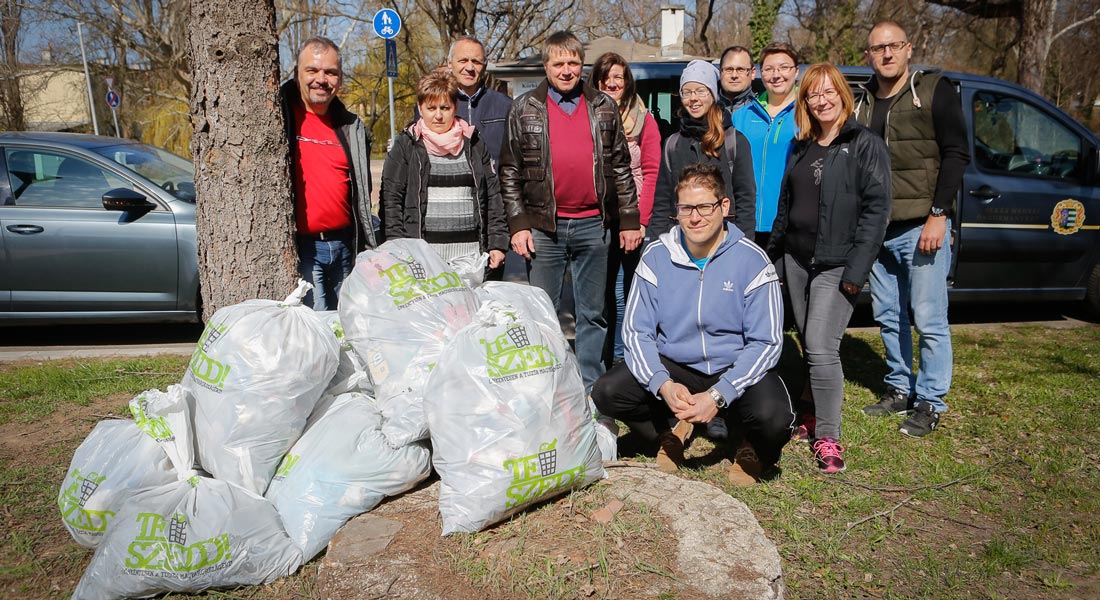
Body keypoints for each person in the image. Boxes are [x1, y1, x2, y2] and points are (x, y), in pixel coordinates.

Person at [591, 163, 792, 486]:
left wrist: (719, 394)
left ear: (724, 207)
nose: (695, 218)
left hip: (732, 365)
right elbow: (636, 332)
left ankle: (749, 446)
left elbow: (766, 342)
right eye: (686, 208)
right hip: (677, 366)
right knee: (607, 391)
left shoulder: (752, 260)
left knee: (776, 417)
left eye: (704, 207)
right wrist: (662, 384)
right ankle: (670, 430)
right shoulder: (657, 256)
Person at [499, 31, 641, 393]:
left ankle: (592, 389)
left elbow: (621, 167)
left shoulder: (603, 107)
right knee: (543, 315)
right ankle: (546, 385)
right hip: (544, 229)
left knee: (593, 314)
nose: (566, 70)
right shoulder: (525, 108)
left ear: (583, 65)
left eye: (573, 63)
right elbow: (510, 169)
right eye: (558, 63)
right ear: (546, 66)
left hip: (595, 226)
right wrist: (518, 224)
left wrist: (628, 219)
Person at [766, 63, 892, 473]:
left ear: (841, 94)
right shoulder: (800, 144)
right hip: (797, 259)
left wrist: (856, 272)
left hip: (837, 264)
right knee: (807, 341)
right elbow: (787, 206)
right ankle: (808, 414)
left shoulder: (864, 143)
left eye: (828, 92)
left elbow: (877, 212)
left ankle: (829, 437)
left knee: (821, 348)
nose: (821, 100)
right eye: (812, 94)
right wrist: (776, 256)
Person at [854, 21, 970, 437]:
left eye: (894, 46)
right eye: (877, 48)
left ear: (908, 48)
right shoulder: (862, 102)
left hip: (922, 226)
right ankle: (900, 388)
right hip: (878, 231)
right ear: (868, 54)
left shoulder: (934, 90)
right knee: (888, 315)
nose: (886, 54)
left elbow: (957, 153)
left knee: (929, 319)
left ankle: (930, 401)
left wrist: (938, 214)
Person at [649, 59, 755, 440]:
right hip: (681, 252)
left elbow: (745, 197)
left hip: (724, 251)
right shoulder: (674, 143)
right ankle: (682, 407)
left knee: (722, 327)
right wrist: (655, 244)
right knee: (684, 327)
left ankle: (721, 407)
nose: (694, 98)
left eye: (701, 91)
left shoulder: (732, 141)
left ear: (713, 95)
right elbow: (664, 199)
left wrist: (745, 254)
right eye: (688, 91)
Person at [279, 36, 377, 310]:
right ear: (297, 73)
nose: (321, 79)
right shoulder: (282, 116)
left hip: (346, 246)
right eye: (312, 70)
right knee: (317, 327)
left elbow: (361, 191)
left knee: (349, 325)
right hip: (305, 249)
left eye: (330, 72)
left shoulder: (351, 126)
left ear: (340, 78)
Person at [380, 71, 507, 270]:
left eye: (445, 108)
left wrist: (497, 244)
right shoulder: (407, 145)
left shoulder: (474, 143)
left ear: (455, 107)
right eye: (431, 108)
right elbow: (391, 200)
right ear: (420, 108)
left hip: (469, 258)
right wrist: (396, 247)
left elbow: (493, 196)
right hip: (422, 258)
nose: (438, 115)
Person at [590, 52, 660, 366]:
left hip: (631, 217)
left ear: (626, 80)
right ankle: (602, 355)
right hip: (596, 217)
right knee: (598, 293)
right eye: (606, 77)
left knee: (624, 291)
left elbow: (652, 170)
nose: (612, 82)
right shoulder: (586, 115)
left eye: (618, 76)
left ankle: (622, 358)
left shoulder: (643, 118)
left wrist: (641, 218)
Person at [732, 43, 801, 250]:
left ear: (796, 71)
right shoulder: (741, 116)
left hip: (790, 224)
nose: (776, 75)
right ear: (760, 74)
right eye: (769, 69)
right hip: (745, 224)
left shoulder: (807, 115)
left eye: (784, 67)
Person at [445, 35, 513, 169]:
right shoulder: (434, 107)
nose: (469, 67)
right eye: (463, 60)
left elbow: (516, 158)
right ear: (450, 63)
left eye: (476, 62)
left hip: (494, 188)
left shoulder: (506, 106)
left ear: (485, 65)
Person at [717, 46, 757, 118]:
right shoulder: (707, 108)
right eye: (728, 69)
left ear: (753, 73)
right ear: (720, 72)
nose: (734, 75)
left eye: (740, 69)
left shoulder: (762, 110)